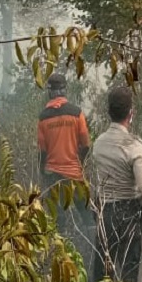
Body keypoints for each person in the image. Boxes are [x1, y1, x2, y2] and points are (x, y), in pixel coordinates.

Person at [89, 85, 142, 282]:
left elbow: (94, 181)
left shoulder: (98, 143)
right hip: (128, 215)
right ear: (131, 113)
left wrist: (97, 210)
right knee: (129, 275)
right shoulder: (133, 146)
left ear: (109, 112)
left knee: (102, 273)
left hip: (105, 212)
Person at [37, 72, 95, 267]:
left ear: (50, 92)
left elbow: (42, 152)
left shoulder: (43, 118)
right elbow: (86, 145)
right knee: (88, 217)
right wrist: (79, 162)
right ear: (64, 90)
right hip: (75, 176)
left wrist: (42, 173)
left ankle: (59, 263)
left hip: (54, 177)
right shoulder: (77, 113)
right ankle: (93, 256)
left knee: (58, 221)